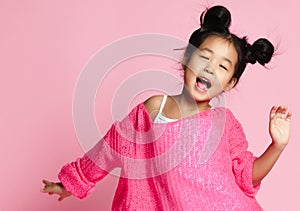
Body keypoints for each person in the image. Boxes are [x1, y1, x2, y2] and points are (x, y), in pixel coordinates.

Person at [41, 5, 291, 210]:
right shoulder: (153, 110)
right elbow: (112, 146)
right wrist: (73, 182)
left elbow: (247, 176)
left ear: (229, 83)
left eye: (223, 67)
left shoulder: (225, 123)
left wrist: (276, 145)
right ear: (186, 58)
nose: (210, 68)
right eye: (204, 57)